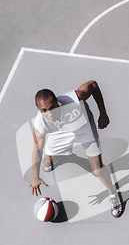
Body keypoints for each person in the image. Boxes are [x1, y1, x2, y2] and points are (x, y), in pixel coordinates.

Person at [29, 80, 123, 218]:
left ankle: (113, 195)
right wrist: (35, 177)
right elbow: (37, 149)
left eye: (52, 107)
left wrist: (102, 112)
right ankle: (65, 156)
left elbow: (93, 85)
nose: (50, 113)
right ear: (39, 110)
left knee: (97, 169)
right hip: (60, 133)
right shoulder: (40, 124)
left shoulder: (73, 98)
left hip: (84, 129)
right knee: (47, 163)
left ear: (57, 101)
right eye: (44, 110)